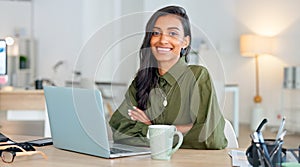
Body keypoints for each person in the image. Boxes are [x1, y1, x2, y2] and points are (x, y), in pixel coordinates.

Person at [109, 5, 227, 149]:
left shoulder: (197, 77)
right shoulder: (141, 81)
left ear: (185, 42)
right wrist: (180, 130)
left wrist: (152, 128)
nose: (163, 40)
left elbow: (210, 138)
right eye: (156, 33)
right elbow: (120, 132)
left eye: (172, 33)